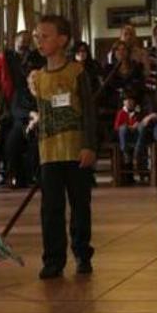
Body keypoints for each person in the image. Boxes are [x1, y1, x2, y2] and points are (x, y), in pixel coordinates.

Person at [28, 15, 97, 279]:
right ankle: (53, 259)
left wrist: (89, 145)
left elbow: (89, 112)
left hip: (75, 150)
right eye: (37, 36)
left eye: (45, 36)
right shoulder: (38, 78)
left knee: (80, 205)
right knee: (51, 209)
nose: (40, 41)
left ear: (62, 39)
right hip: (49, 152)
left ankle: (82, 252)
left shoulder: (77, 72)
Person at [0, 30, 41, 188]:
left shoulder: (37, 62)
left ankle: (36, 176)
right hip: (20, 120)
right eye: (21, 41)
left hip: (40, 122)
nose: (24, 44)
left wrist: (35, 119)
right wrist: (29, 115)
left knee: (35, 144)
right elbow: (15, 108)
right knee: (11, 143)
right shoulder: (6, 58)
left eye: (27, 41)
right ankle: (18, 177)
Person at [114, 92, 148, 170]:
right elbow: (116, 127)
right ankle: (125, 153)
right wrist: (128, 126)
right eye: (127, 101)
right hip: (125, 137)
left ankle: (136, 153)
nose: (129, 103)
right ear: (124, 102)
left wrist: (138, 124)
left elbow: (143, 123)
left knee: (142, 126)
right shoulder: (121, 113)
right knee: (123, 128)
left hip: (136, 136)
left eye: (131, 101)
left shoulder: (138, 113)